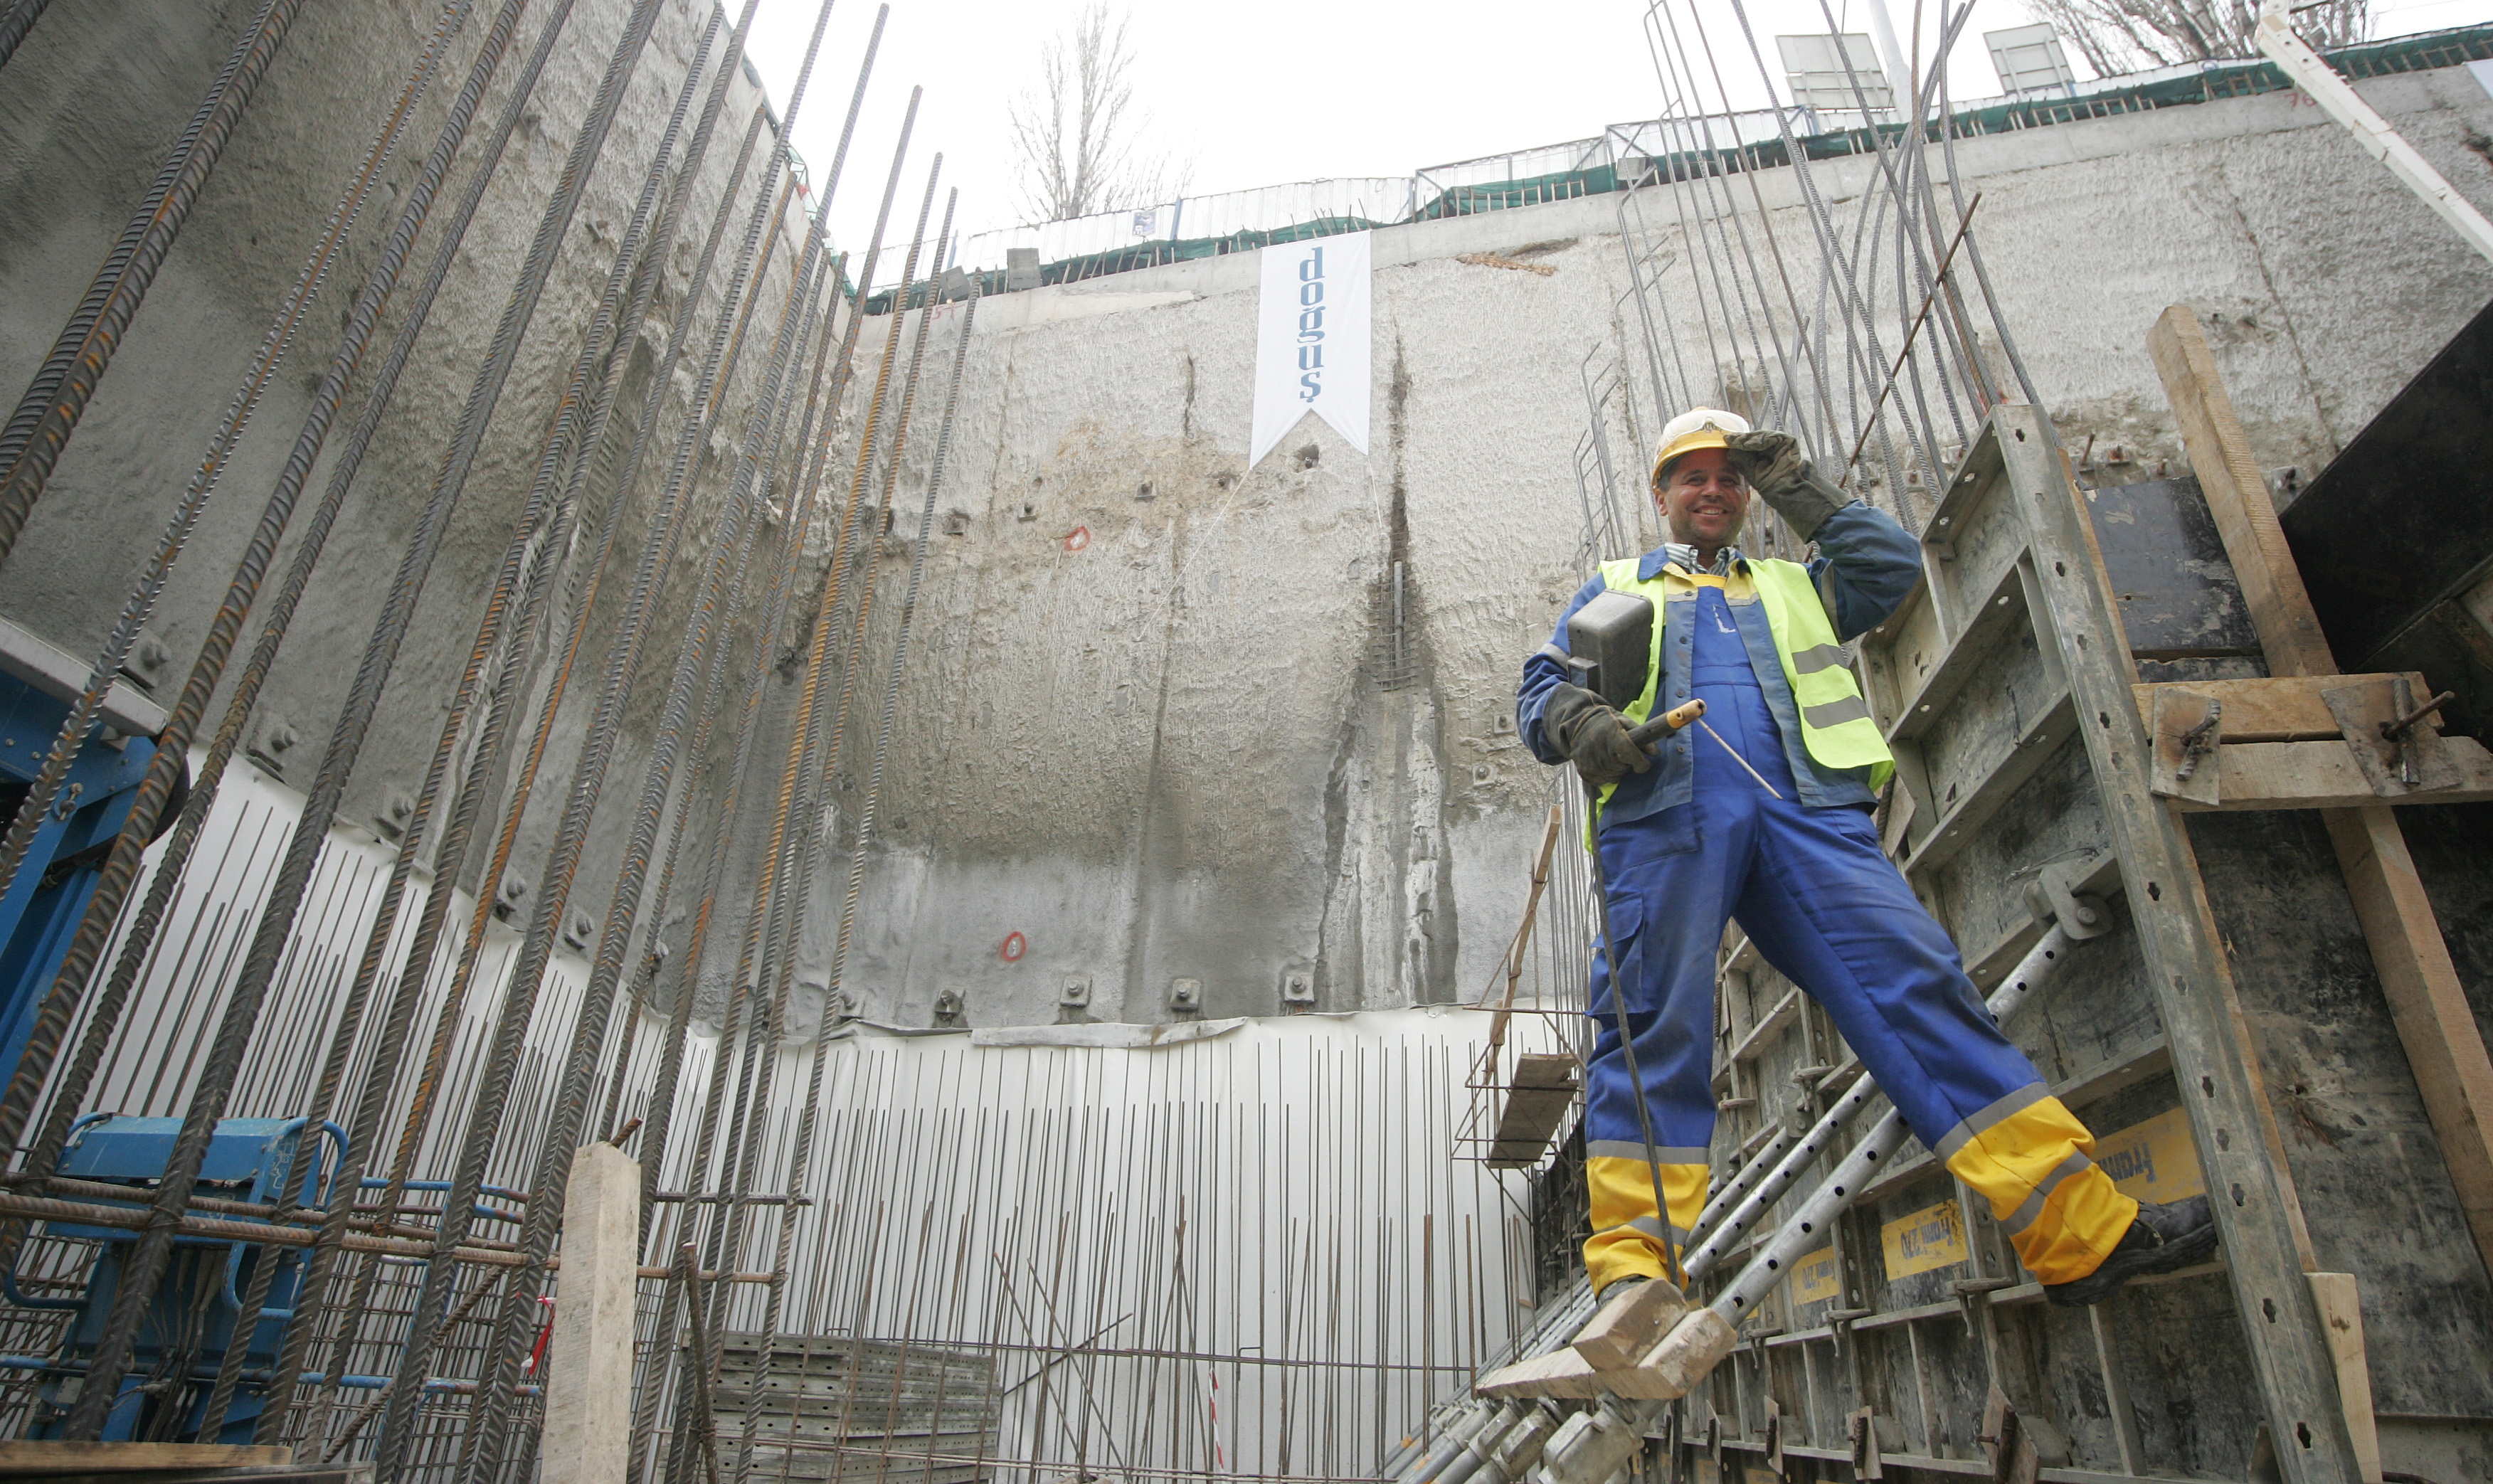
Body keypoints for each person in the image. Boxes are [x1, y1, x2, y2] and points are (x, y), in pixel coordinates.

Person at [1515, 407, 2215, 1314]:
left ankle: (2078, 1230)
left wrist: (1797, 484)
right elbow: (1542, 691)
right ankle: (1638, 1277)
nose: (1715, 489)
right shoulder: (1615, 587)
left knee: (1920, 986)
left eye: (1731, 475)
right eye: (1694, 476)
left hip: (1812, 818)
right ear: (1662, 495)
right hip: (1665, 820)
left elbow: (1888, 569)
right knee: (1652, 1026)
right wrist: (1585, 725)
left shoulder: (1795, 582)